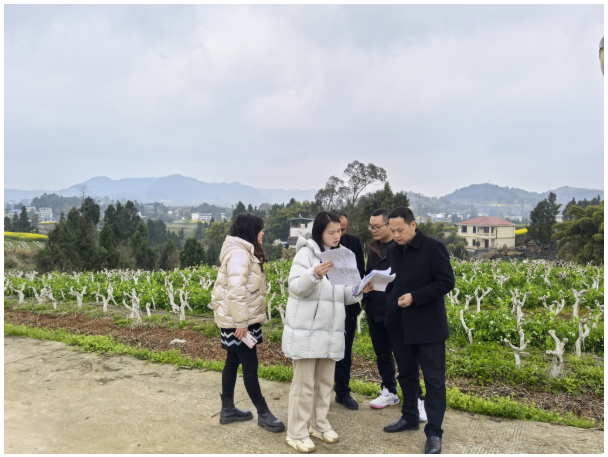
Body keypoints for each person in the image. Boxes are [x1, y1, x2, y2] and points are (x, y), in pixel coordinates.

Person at [282, 211, 374, 453]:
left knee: (324, 384)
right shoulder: (305, 254)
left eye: (339, 231)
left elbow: (341, 294)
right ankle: (296, 432)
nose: (337, 236)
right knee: (304, 386)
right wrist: (314, 274)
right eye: (331, 232)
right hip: (307, 331)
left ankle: (319, 424)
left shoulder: (340, 255)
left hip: (331, 330)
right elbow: (295, 288)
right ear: (319, 232)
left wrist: (359, 290)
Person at [382, 207, 455, 455]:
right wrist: (388, 301)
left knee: (434, 381)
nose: (396, 235)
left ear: (413, 225)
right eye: (392, 231)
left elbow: (446, 282)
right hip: (400, 325)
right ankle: (410, 416)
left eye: (400, 230)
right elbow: (393, 283)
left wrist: (415, 296)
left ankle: (434, 432)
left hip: (428, 327)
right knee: (406, 375)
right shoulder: (392, 250)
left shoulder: (434, 247)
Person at [210, 213, 285, 433]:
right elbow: (236, 291)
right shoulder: (240, 254)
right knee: (250, 367)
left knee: (232, 362)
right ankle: (264, 413)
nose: (262, 233)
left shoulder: (241, 251)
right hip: (240, 321)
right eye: (260, 229)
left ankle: (228, 409)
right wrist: (241, 323)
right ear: (250, 231)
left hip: (236, 319)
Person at [363, 209, 427, 421]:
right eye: (371, 227)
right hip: (375, 307)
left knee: (406, 357)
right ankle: (389, 390)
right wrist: (365, 296)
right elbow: (369, 272)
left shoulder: (401, 247)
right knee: (382, 353)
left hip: (397, 308)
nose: (374, 231)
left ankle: (416, 398)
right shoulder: (373, 248)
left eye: (378, 227)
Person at [329, 209, 365, 410]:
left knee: (344, 351)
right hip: (326, 304)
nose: (339, 235)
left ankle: (342, 392)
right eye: (335, 230)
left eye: (342, 230)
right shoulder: (318, 246)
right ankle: (320, 392)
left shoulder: (353, 243)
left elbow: (360, 270)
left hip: (348, 304)